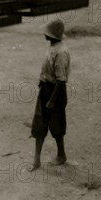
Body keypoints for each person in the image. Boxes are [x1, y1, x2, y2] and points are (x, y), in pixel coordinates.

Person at [31, 19, 70, 169]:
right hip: (46, 89)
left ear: (52, 35)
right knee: (39, 123)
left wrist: (52, 101)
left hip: (56, 92)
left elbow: (61, 81)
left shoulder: (61, 52)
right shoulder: (52, 46)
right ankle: (36, 160)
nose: (44, 35)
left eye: (46, 32)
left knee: (56, 125)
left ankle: (61, 155)